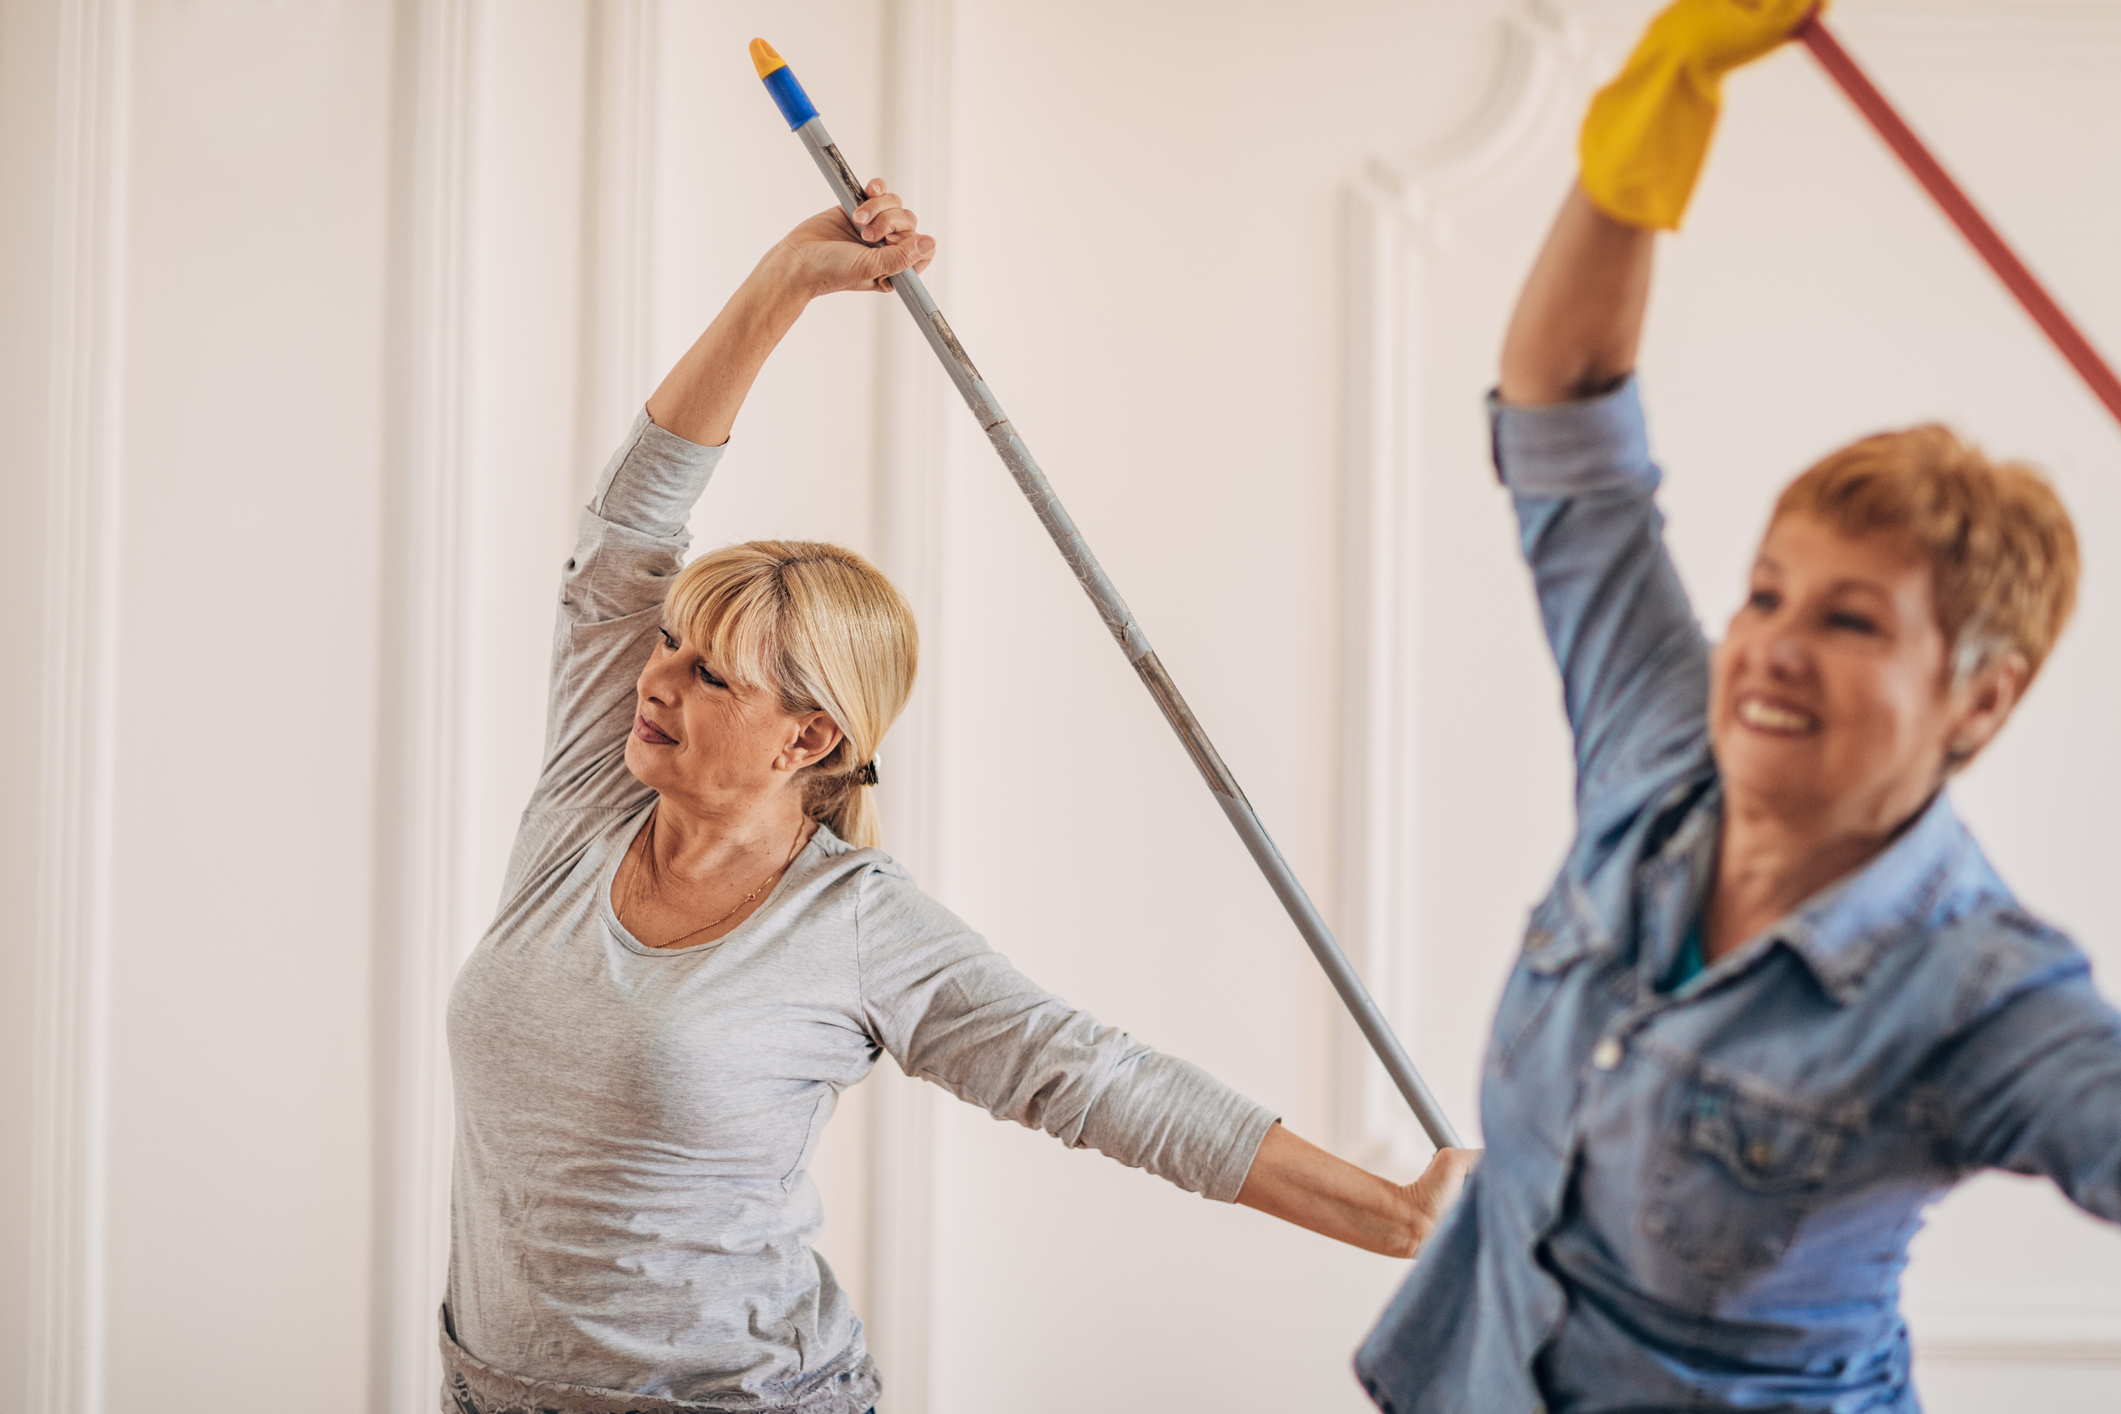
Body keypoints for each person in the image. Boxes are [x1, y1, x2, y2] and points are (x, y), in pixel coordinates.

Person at [440, 180, 1477, 1414]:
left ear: (806, 736)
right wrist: (784, 283)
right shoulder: (589, 798)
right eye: (665, 643)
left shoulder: (856, 925)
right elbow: (628, 528)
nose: (653, 677)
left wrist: (1398, 1215)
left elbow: (1104, 1081)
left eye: (708, 671)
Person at [1355, 2, 2111, 1411]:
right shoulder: (1662, 741)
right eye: (1766, 594)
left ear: (1981, 695)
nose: (1768, 647)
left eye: (1849, 620)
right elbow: (1563, 418)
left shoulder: (1982, 993)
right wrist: (1649, 127)